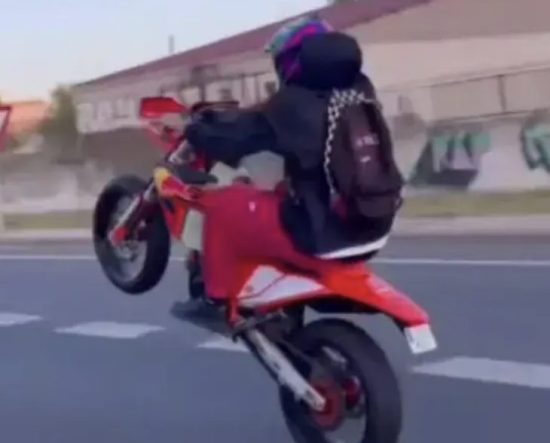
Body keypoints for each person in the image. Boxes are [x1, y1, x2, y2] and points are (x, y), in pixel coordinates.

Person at [175, 15, 403, 322]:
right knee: (281, 192)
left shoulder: (293, 104)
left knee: (223, 204)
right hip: (374, 227)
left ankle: (214, 301)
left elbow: (233, 139)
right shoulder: (362, 91)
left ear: (295, 60)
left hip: (323, 236)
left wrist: (195, 129)